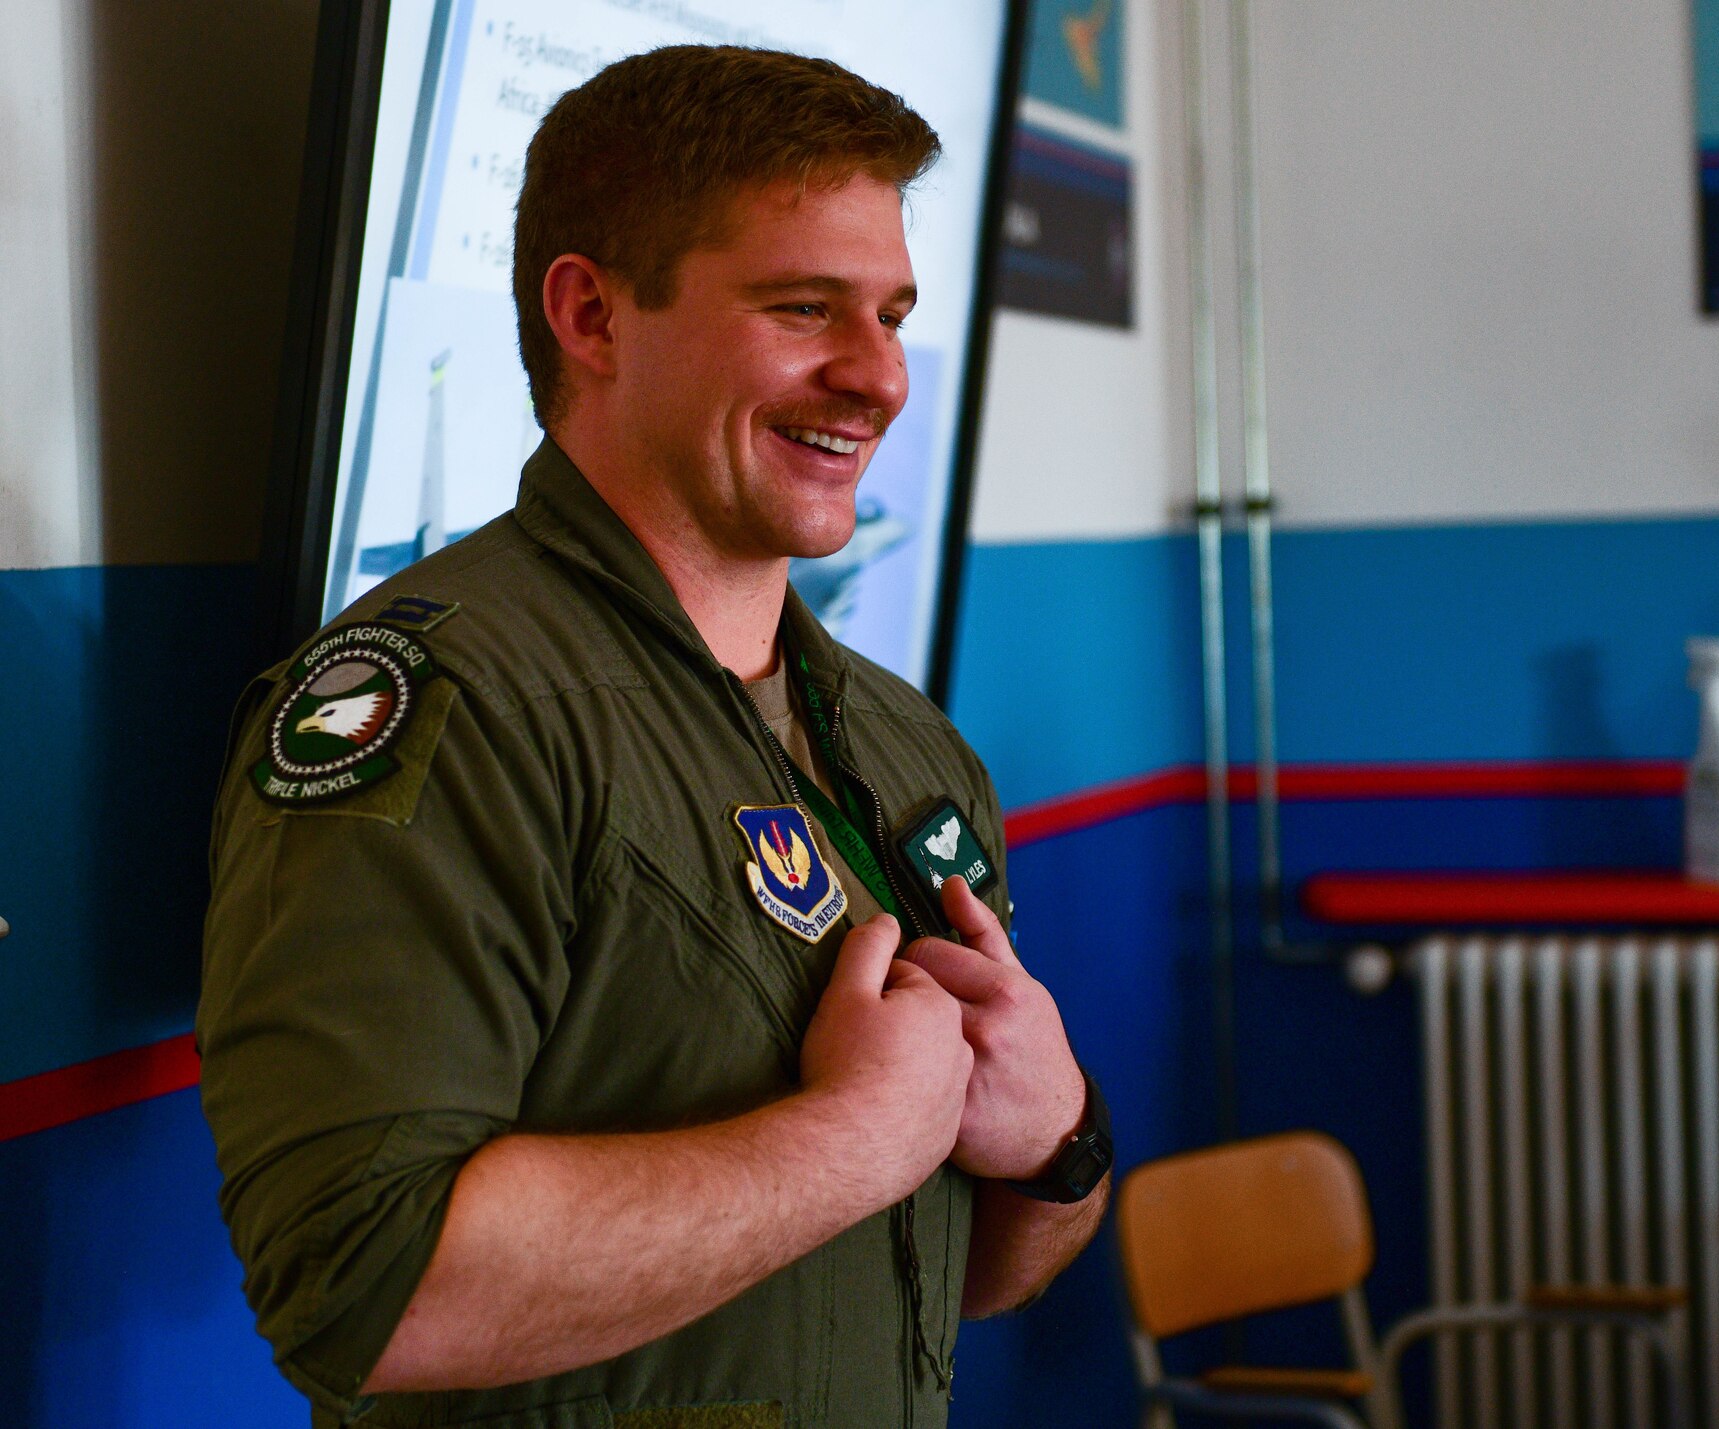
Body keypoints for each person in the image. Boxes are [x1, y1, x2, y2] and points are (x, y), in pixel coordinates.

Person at [198, 45, 1110, 1428]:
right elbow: (364, 1281)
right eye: (805, 307)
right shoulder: (443, 704)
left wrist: (1058, 1142)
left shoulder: (908, 744)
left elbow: (959, 1268)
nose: (878, 378)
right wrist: (855, 1135)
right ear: (592, 315)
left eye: (892, 314)